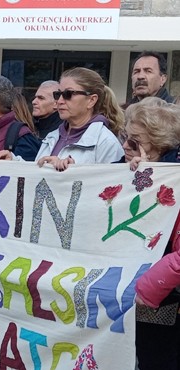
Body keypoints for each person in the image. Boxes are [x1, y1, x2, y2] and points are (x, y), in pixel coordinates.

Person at [115, 98, 180, 370]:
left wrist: (149, 286)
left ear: (160, 141)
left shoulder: (173, 176)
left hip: (162, 298)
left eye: (135, 140)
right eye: (125, 138)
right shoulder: (138, 168)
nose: (126, 147)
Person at [0, 67, 124, 170]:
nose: (60, 100)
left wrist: (71, 172)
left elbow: (110, 192)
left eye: (68, 94)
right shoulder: (53, 136)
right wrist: (13, 162)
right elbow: (37, 171)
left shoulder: (107, 142)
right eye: (58, 94)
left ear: (91, 100)